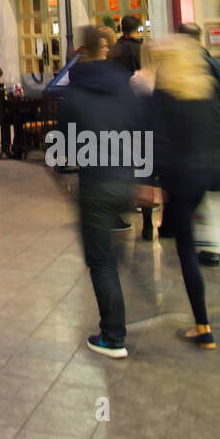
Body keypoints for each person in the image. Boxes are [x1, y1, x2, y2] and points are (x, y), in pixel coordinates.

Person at [59, 25, 140, 358]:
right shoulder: (125, 86)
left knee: (101, 261)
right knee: (110, 256)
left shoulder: (76, 91)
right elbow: (142, 127)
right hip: (126, 177)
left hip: (96, 181)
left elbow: (64, 144)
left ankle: (113, 336)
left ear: (81, 51)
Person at [144, 35, 220, 349]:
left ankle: (203, 326)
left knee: (187, 250)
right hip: (214, 175)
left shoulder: (164, 94)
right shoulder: (207, 88)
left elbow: (156, 141)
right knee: (219, 243)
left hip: (184, 179)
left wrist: (153, 181)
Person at [176, 23, 220, 266]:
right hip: (219, 144)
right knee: (219, 192)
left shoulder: (176, 71)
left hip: (193, 148)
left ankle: (208, 248)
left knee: (200, 196)